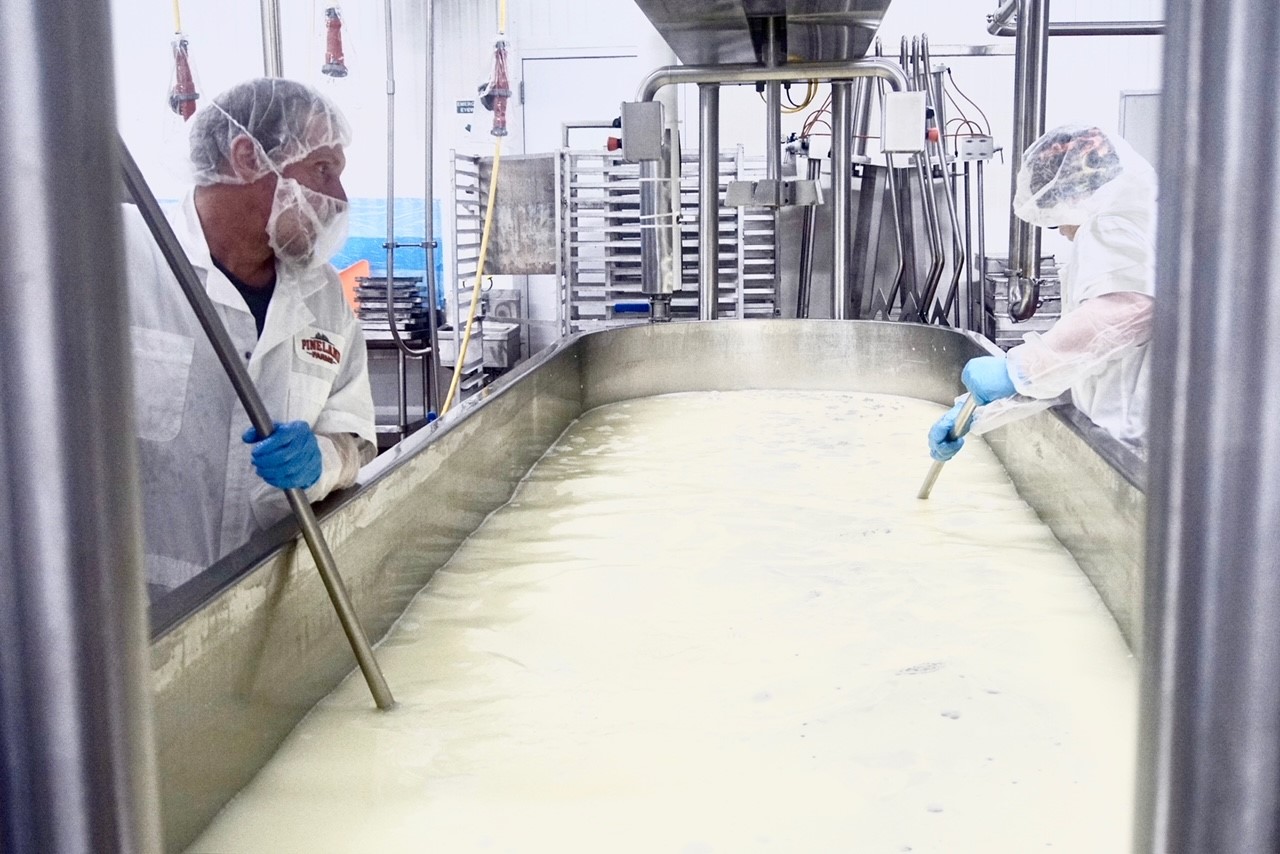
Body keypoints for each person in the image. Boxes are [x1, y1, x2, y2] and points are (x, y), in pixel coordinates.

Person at [124, 78, 375, 592]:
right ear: (247, 157)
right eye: (322, 169)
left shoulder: (325, 298)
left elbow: (353, 438)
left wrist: (320, 462)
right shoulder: (119, 256)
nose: (339, 198)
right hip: (126, 608)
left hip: (262, 598)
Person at [928, 124, 1157, 462]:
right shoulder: (1140, 224)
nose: (1063, 232)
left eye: (1056, 218)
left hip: (1135, 451)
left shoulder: (1109, 227)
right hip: (1126, 442)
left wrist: (1018, 369)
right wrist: (975, 413)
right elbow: (1080, 363)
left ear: (1078, 195)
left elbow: (1129, 311)